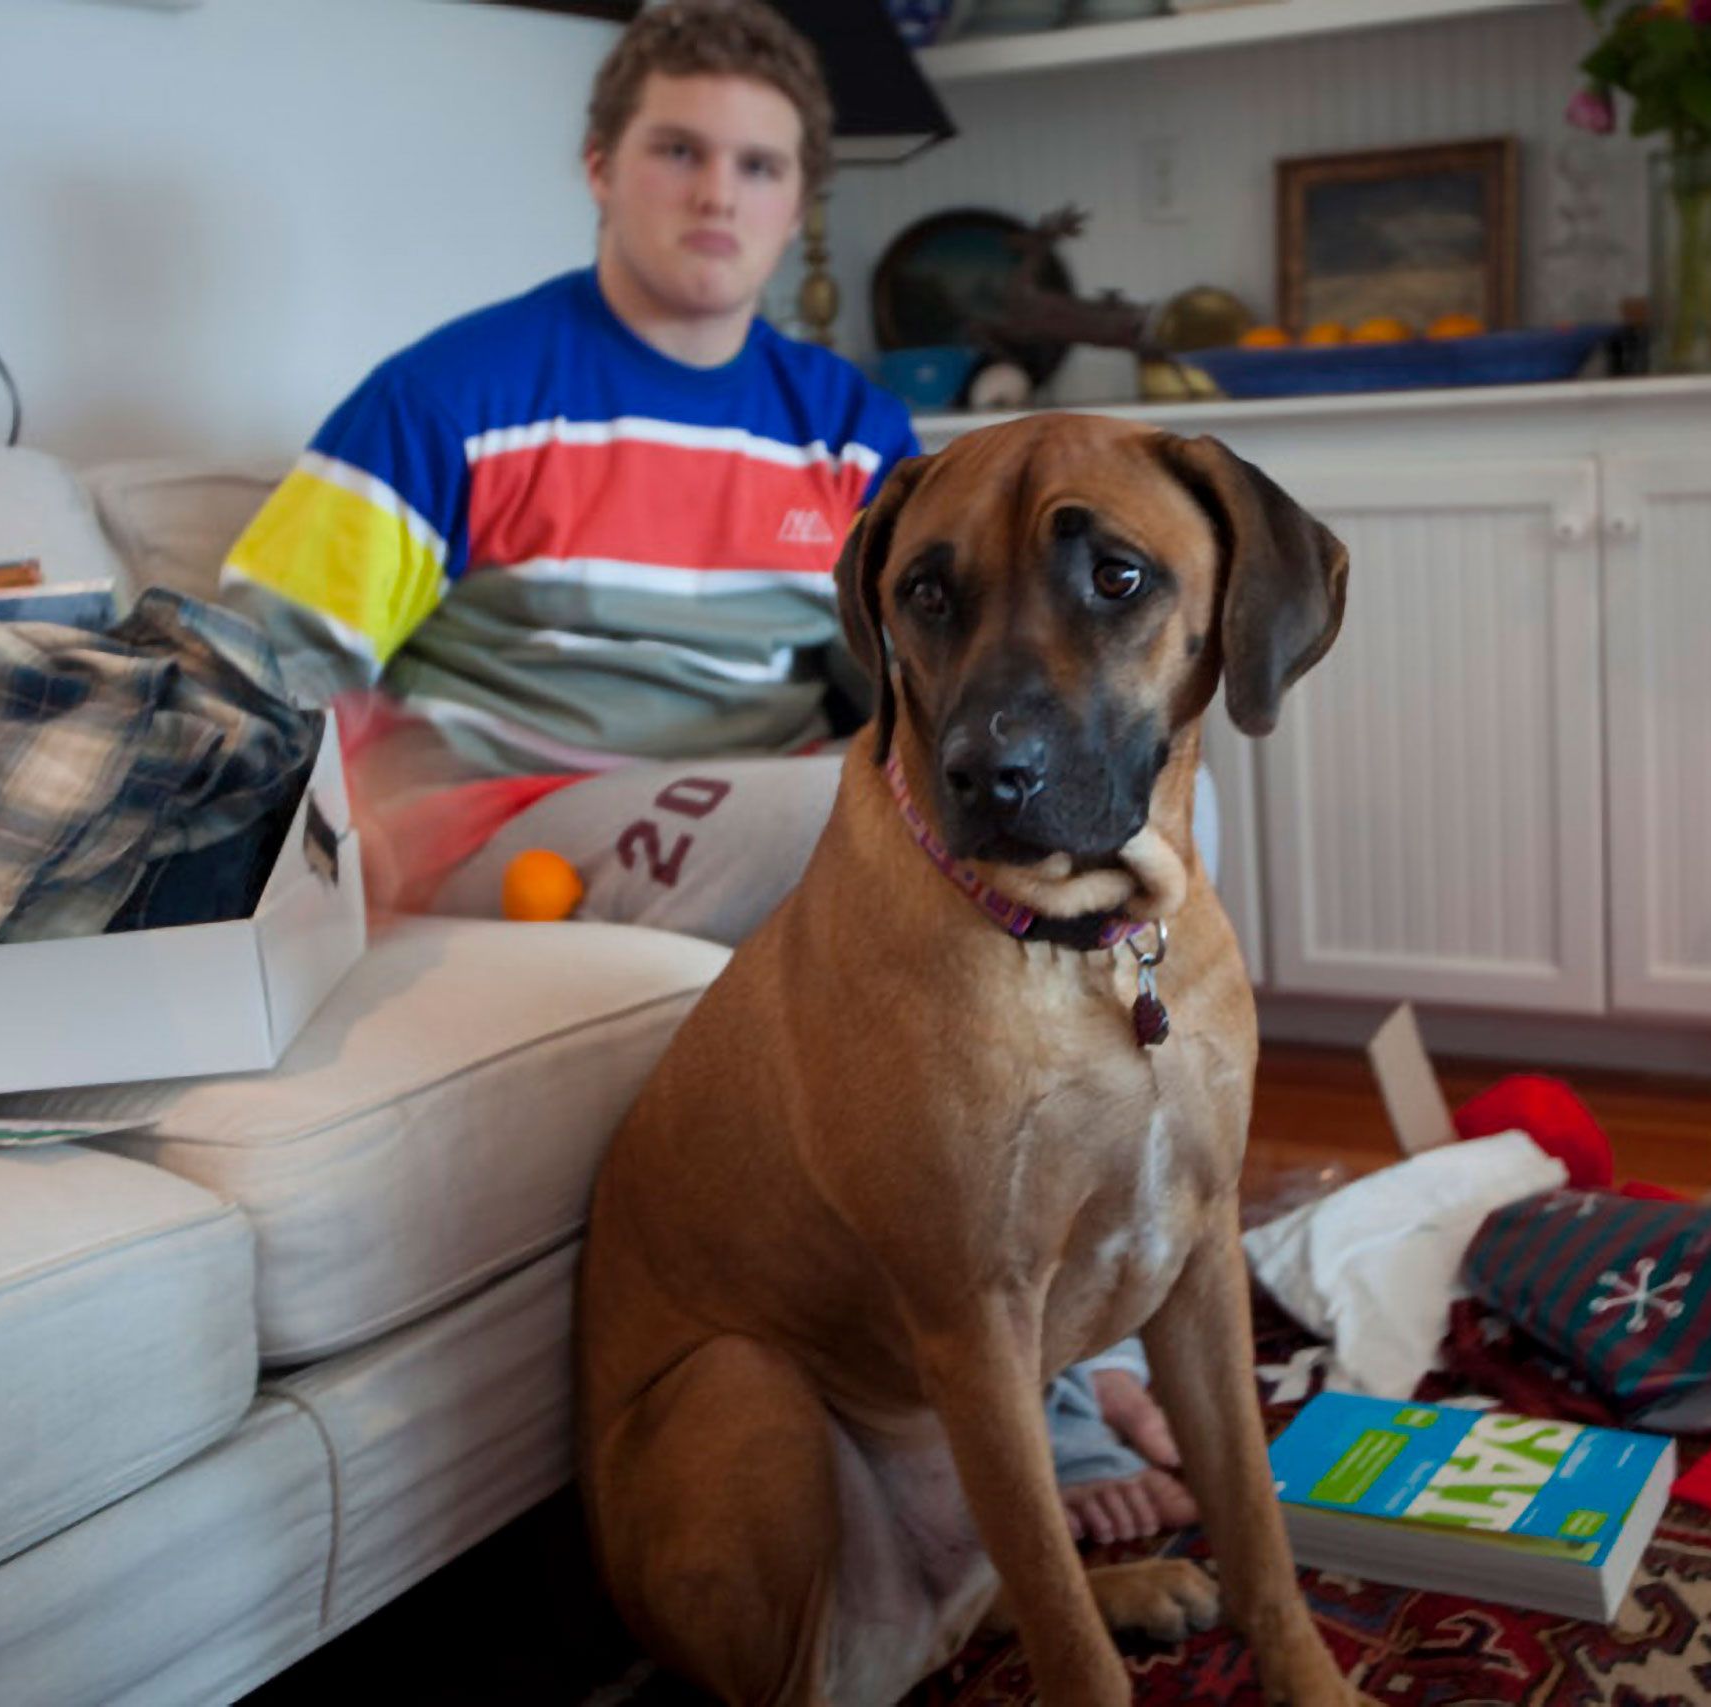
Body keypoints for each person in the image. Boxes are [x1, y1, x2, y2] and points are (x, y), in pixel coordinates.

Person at [220, 0, 1193, 1544]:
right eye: (679, 150)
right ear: (601, 165)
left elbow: (913, 685)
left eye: (759, 164)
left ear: (800, 196)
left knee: (1117, 820)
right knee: (899, 839)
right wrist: (350, 815)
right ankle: (1057, 1411)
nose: (717, 193)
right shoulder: (455, 392)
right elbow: (257, 661)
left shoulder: (849, 433)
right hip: (509, 821)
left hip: (763, 796)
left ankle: (1106, 1313)